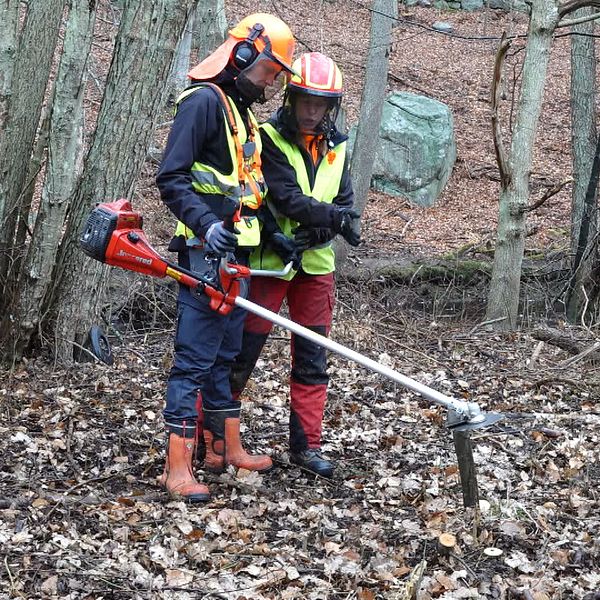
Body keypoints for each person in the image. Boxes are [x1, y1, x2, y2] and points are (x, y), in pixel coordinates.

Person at [156, 14, 297, 503]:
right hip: (203, 253)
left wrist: (274, 236)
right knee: (194, 359)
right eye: (269, 72)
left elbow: (248, 188)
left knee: (225, 357)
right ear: (242, 56)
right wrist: (206, 225)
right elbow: (171, 178)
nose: (272, 83)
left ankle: (223, 449)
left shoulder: (240, 111)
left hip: (237, 253)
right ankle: (177, 466)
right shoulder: (201, 104)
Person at [229, 52, 360, 478]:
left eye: (320, 104)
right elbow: (284, 198)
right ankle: (210, 437)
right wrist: (334, 221)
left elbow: (343, 202)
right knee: (241, 354)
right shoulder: (267, 137)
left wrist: (322, 231)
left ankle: (307, 446)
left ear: (331, 107)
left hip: (317, 266)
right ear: (290, 98)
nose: (311, 111)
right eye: (305, 101)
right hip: (270, 263)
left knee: (312, 357)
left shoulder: (339, 146)